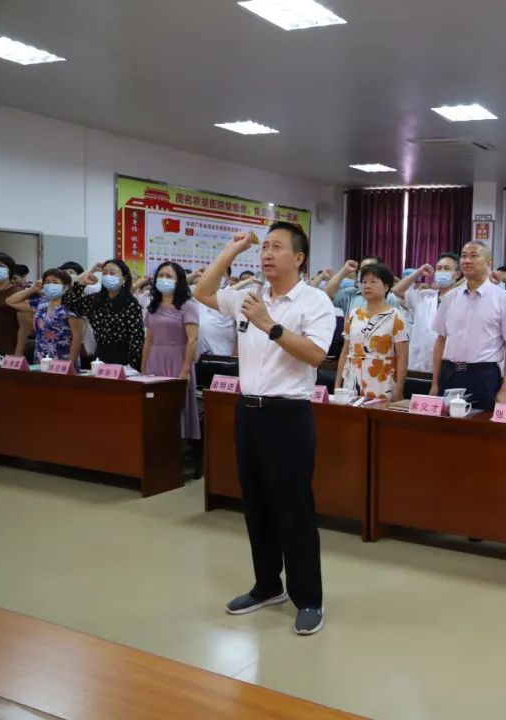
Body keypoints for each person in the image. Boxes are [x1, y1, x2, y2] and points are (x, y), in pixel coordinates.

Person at [194, 221, 335, 636]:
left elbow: (314, 355)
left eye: (277, 247)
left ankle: (308, 598)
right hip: (248, 412)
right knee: (255, 505)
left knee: (294, 510)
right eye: (265, 247)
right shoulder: (248, 297)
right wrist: (231, 250)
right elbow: (202, 291)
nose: (268, 253)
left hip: (288, 415)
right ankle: (268, 585)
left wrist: (269, 325)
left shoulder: (314, 302)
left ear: (299, 257)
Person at [429, 241, 506, 411]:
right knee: (445, 429)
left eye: (474, 256)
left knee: (481, 431)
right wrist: (435, 383)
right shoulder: (450, 298)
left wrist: (505, 389)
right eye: (463, 256)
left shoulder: (503, 298)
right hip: (450, 374)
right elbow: (440, 340)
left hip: (483, 376)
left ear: (488, 263)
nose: (467, 260)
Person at [142, 261, 200, 442]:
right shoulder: (153, 306)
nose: (163, 279)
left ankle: (180, 453)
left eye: (169, 276)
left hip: (177, 359)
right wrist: (143, 368)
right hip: (155, 359)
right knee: (155, 406)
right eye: (160, 276)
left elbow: (193, 339)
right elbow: (149, 339)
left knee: (175, 406)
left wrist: (184, 370)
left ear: (179, 281)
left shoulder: (187, 305)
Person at [335, 263, 408, 401]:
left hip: (382, 380)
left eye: (373, 281)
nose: (367, 286)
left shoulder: (395, 316)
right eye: (364, 282)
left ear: (386, 287)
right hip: (352, 379)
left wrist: (399, 390)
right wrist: (338, 383)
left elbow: (402, 357)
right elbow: (345, 351)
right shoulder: (353, 314)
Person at [62, 260, 146, 370]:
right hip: (100, 354)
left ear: (124, 278)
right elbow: (68, 303)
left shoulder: (131, 303)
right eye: (105, 273)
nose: (108, 276)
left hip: (124, 357)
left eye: (112, 273)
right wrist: (82, 284)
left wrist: (132, 365)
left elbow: (137, 338)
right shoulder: (96, 300)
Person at [392, 253, 464, 373]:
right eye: (439, 268)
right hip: (418, 364)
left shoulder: (462, 299)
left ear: (457, 274)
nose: (441, 272)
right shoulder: (425, 296)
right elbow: (396, 290)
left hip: (448, 365)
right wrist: (419, 272)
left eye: (446, 268)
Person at [6, 268, 83, 364]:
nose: (50, 285)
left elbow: (78, 337)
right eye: (47, 282)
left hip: (62, 358)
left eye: (55, 282)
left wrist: (70, 363)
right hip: (40, 356)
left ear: (65, 287)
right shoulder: (41, 303)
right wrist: (32, 289)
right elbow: (10, 301)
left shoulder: (72, 306)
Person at [325, 255, 399, 316]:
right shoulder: (350, 294)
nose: (366, 271)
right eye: (362, 269)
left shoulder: (389, 297)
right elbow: (328, 294)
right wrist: (345, 270)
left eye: (371, 268)